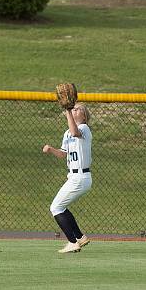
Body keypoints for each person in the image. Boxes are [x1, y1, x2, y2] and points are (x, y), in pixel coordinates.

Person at [42, 103, 92, 253]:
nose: (73, 110)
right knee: (61, 207)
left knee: (56, 207)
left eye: (77, 109)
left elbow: (75, 132)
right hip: (74, 176)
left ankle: (72, 242)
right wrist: (51, 150)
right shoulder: (67, 133)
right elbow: (64, 154)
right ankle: (80, 237)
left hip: (81, 176)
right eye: (73, 109)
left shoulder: (84, 128)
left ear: (84, 115)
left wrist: (68, 112)